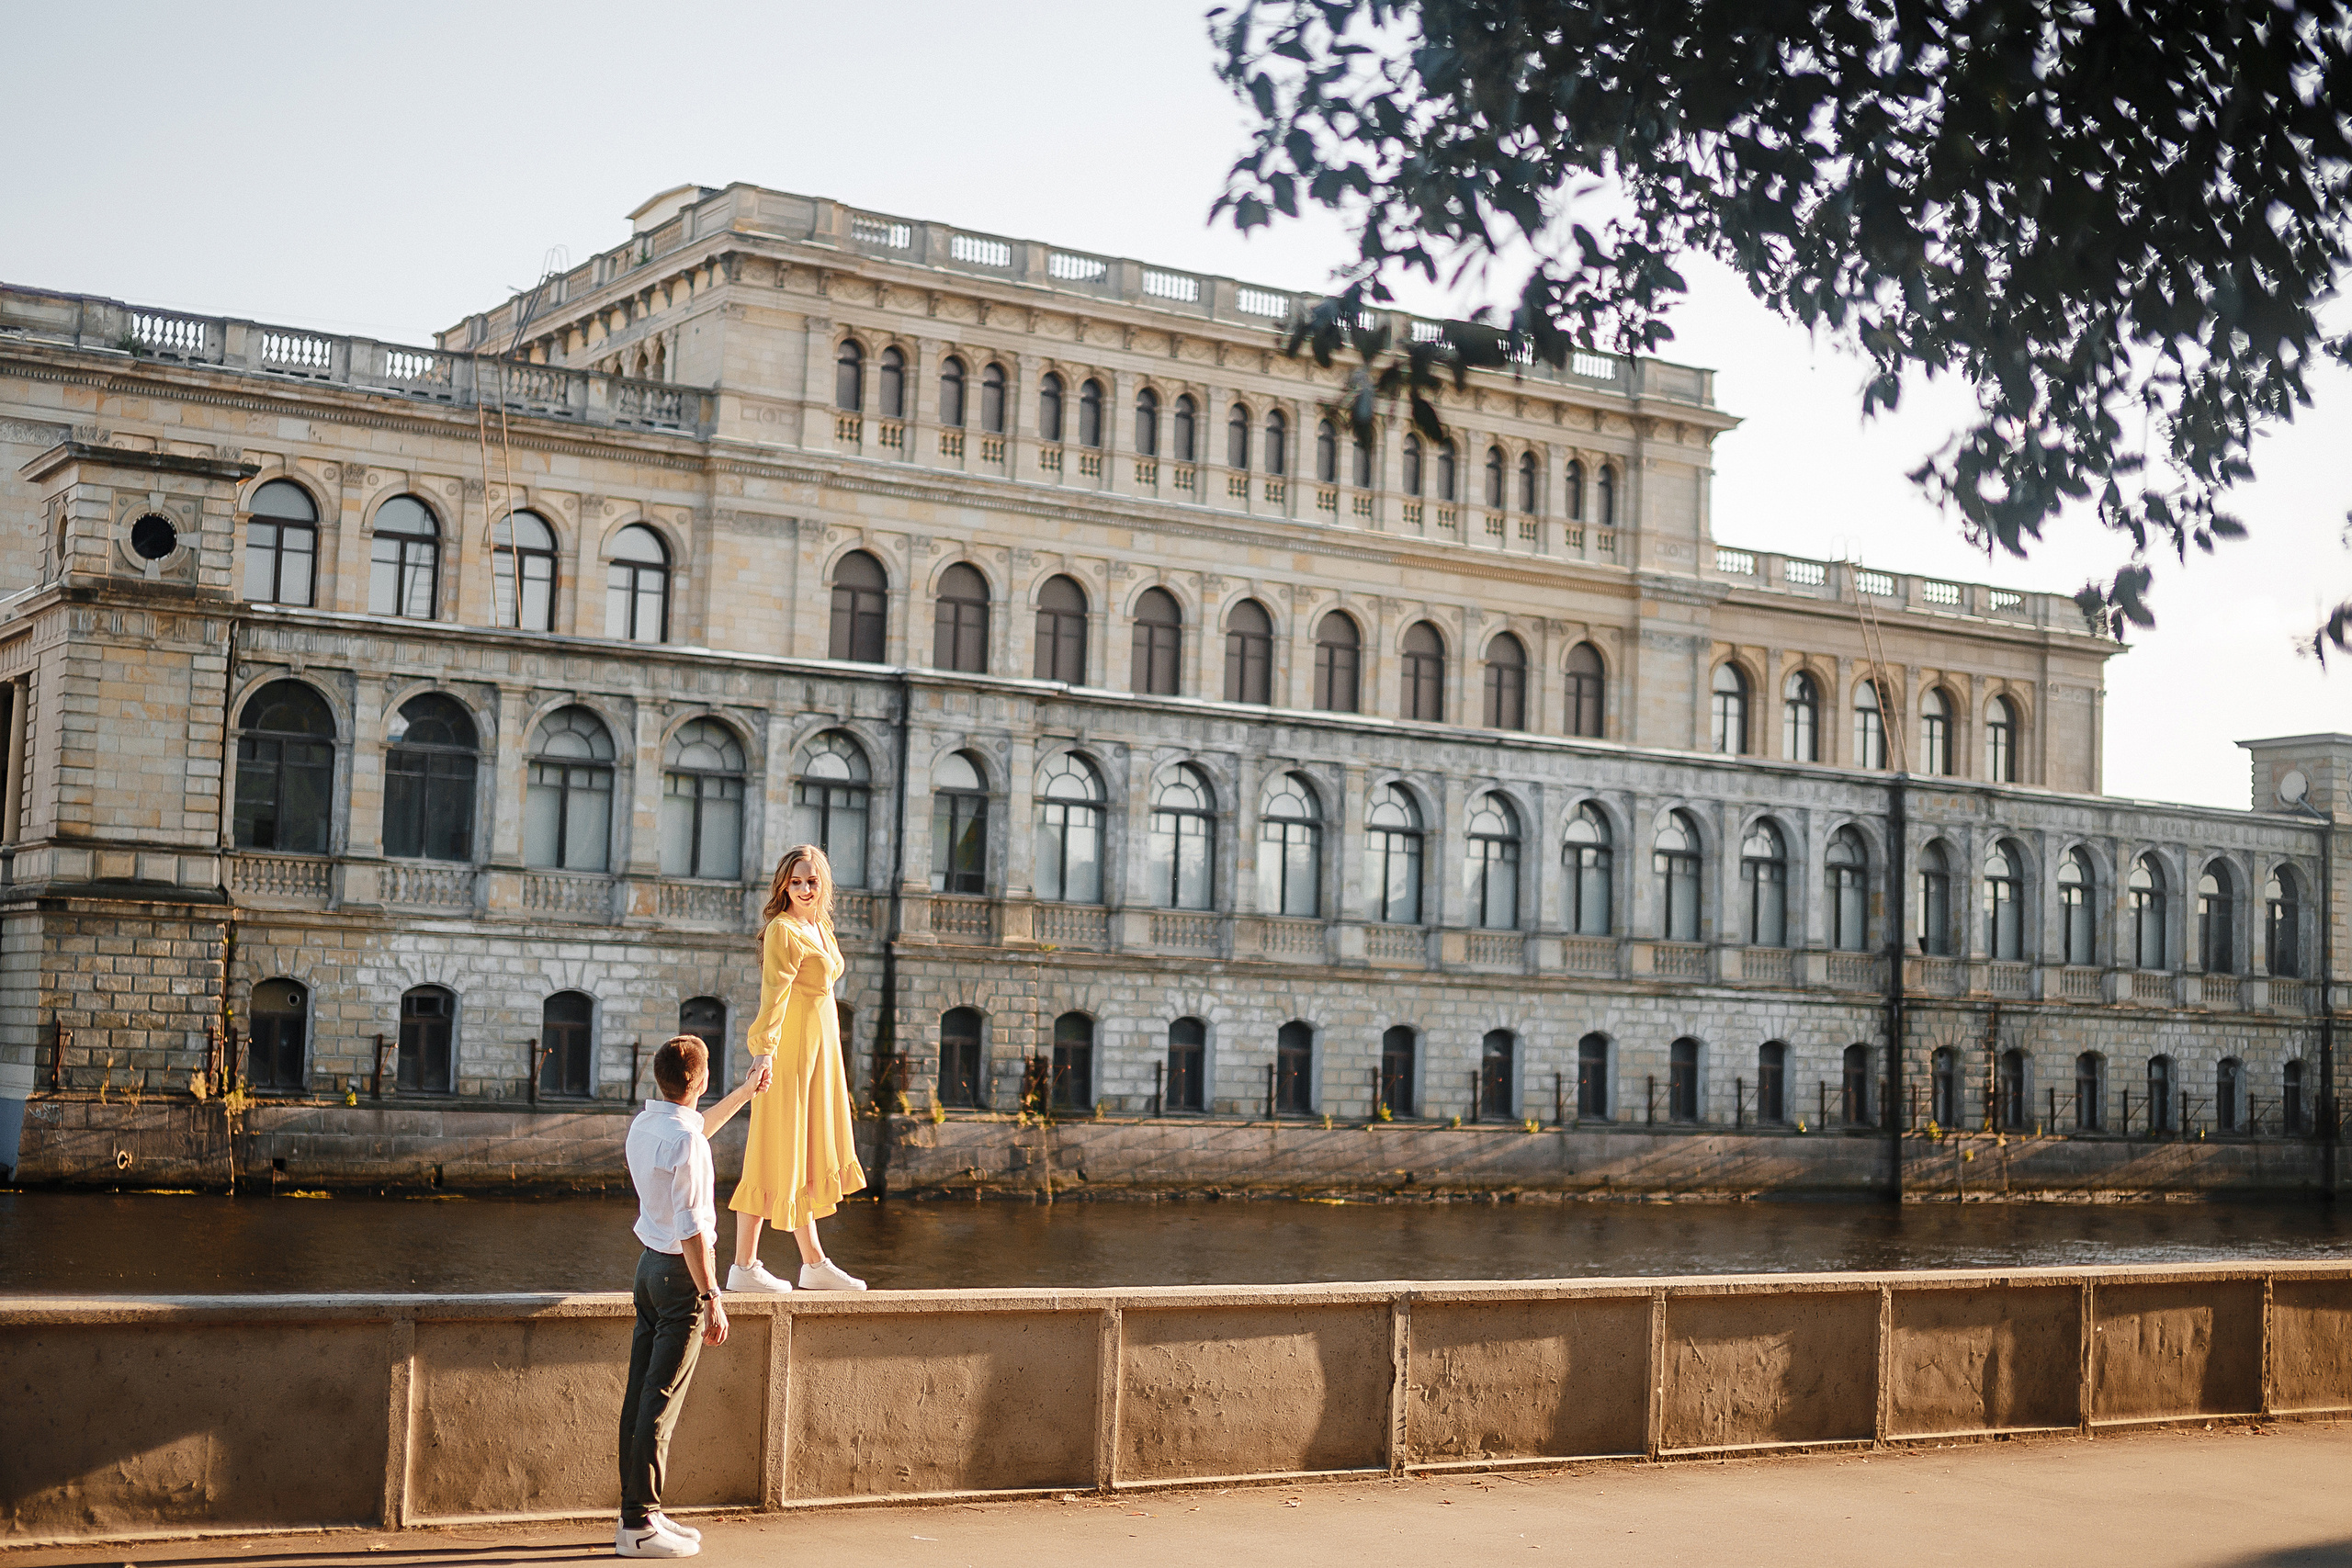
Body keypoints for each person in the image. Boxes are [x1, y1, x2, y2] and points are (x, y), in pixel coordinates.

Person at [616, 1033, 770, 1558]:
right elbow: (693, 1231)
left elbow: (694, 1127)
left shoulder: (647, 1125)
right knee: (661, 1403)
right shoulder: (688, 1143)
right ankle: (640, 1525)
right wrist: (712, 1298)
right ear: (701, 1081)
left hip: (648, 1269)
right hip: (680, 1277)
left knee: (640, 1395)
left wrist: (745, 1092)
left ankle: (639, 1511)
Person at [725, 843, 870, 1293]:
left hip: (822, 1055)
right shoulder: (783, 931)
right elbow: (775, 994)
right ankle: (743, 1266)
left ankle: (813, 1263)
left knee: (804, 1153)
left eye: (812, 881)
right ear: (783, 886)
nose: (805, 889)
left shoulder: (821, 926)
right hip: (790, 1054)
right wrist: (764, 1051)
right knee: (773, 1149)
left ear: (823, 884)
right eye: (796, 882)